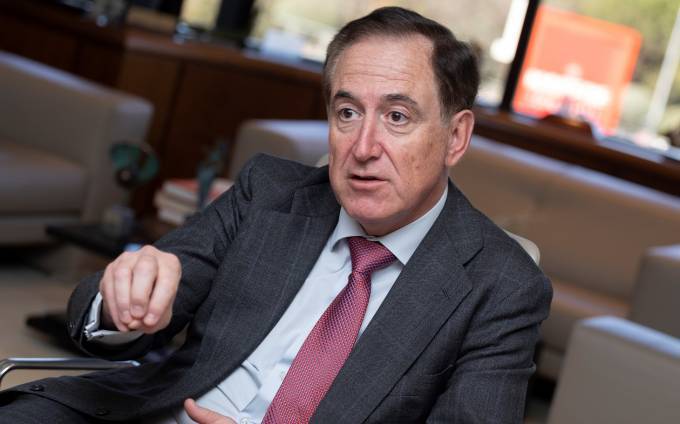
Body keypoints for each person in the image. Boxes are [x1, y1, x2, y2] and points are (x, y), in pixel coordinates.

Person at [0, 6, 551, 423]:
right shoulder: (269, 193)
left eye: (398, 117)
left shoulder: (502, 285)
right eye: (348, 112)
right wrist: (124, 301)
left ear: (456, 136)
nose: (363, 147)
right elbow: (113, 313)